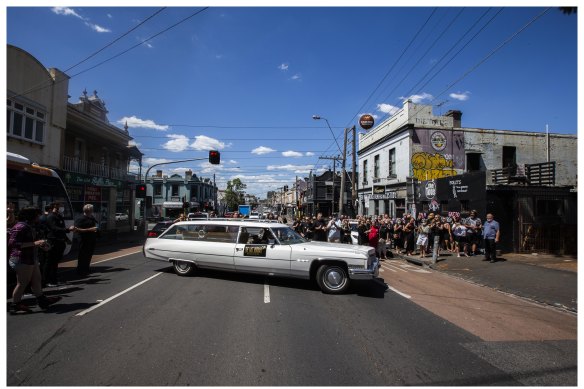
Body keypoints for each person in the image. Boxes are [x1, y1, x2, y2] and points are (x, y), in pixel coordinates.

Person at [8, 207, 61, 313]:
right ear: (31, 216)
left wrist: (40, 244)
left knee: (36, 279)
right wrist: (35, 243)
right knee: (22, 282)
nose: (39, 217)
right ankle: (15, 305)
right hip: (22, 259)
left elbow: (30, 242)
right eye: (37, 215)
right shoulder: (20, 226)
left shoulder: (29, 226)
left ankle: (42, 300)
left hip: (31, 258)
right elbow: (13, 244)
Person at [44, 202, 75, 287]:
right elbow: (54, 228)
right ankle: (46, 281)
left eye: (61, 206)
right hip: (53, 241)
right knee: (50, 262)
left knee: (56, 262)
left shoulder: (59, 216)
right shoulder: (50, 217)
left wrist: (66, 239)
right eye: (58, 207)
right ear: (53, 207)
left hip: (60, 242)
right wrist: (68, 229)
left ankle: (54, 280)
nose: (60, 208)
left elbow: (61, 229)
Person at [74, 204, 99, 276]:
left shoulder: (91, 218)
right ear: (88, 210)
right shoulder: (80, 219)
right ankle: (80, 270)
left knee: (89, 254)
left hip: (91, 239)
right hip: (83, 239)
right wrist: (89, 230)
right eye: (92, 210)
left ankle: (86, 268)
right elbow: (76, 229)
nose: (92, 211)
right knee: (83, 255)